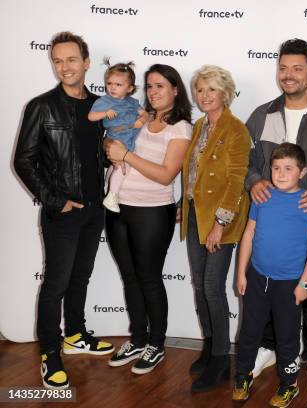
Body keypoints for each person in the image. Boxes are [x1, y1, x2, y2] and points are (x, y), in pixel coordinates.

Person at [14, 31, 115, 389]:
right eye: (57, 60)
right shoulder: (42, 106)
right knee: (55, 283)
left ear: (86, 62)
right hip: (63, 211)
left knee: (80, 278)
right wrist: (56, 200)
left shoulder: (102, 106)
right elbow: (23, 161)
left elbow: (105, 150)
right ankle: (50, 353)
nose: (64, 67)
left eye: (71, 59)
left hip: (95, 208)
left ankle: (74, 334)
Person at [245, 38, 307, 393]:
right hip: (272, 224)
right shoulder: (262, 115)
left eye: (297, 69)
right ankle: (270, 348)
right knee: (272, 291)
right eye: (283, 68)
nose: (288, 75)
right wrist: (256, 180)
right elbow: (248, 163)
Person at [104, 64, 192, 374]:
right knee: (130, 276)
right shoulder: (139, 116)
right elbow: (112, 140)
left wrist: (125, 156)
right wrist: (110, 148)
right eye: (150, 86)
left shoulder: (180, 128)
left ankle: (156, 344)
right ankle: (138, 338)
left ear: (175, 90)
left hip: (153, 212)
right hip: (118, 208)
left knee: (150, 279)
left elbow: (167, 175)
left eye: (161, 86)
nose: (153, 92)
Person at [233, 143, 307, 408]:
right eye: (276, 168)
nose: (281, 174)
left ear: (302, 171)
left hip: (289, 284)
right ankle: (243, 376)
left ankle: (289, 383)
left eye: (288, 169)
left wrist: (304, 284)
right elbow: (248, 234)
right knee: (249, 331)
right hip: (257, 278)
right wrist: (241, 272)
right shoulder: (262, 197)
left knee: (286, 337)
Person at [180, 65, 251, 392]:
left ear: (226, 93)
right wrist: (185, 205)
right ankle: (210, 346)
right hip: (196, 214)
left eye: (211, 89)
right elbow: (193, 172)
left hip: (222, 221)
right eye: (200, 90)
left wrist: (219, 226)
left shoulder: (236, 130)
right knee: (198, 285)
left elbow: (236, 182)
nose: (204, 95)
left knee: (211, 288)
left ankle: (222, 359)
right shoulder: (199, 126)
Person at [88, 58, 148, 213]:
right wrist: (105, 113)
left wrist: (141, 120)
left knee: (116, 167)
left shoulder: (133, 102)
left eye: (118, 84)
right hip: (118, 139)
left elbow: (145, 114)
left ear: (129, 88)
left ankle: (108, 187)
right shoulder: (104, 101)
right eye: (109, 83)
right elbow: (91, 117)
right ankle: (112, 196)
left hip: (130, 138)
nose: (112, 88)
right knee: (123, 167)